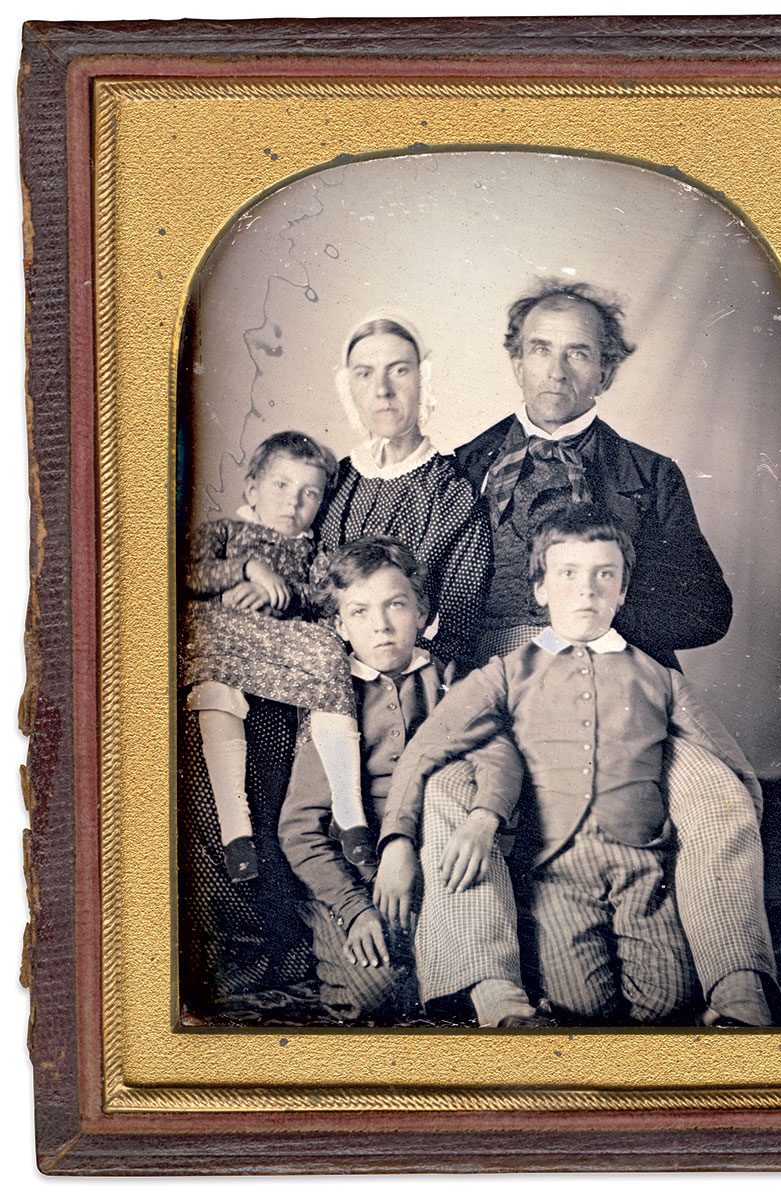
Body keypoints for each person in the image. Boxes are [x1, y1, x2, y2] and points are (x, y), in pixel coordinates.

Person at [377, 505, 776, 1026]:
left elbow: (727, 763)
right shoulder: (505, 673)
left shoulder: (659, 678)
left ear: (622, 592)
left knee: (669, 1002)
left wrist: (740, 824)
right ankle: (506, 990)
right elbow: (427, 748)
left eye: (603, 576)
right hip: (555, 866)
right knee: (582, 1006)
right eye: (568, 574)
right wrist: (398, 839)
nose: (586, 591)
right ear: (540, 589)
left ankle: (733, 992)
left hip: (642, 863)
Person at [277, 536, 535, 1026]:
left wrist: (483, 818)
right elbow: (299, 829)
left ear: (422, 612)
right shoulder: (331, 697)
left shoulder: (449, 679)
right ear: (339, 625)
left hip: (436, 857)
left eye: (396, 605)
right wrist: (353, 908)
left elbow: (498, 757)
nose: (381, 625)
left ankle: (482, 988)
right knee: (373, 999)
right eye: (359, 611)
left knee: (465, 972)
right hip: (353, 876)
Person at [454, 280, 732, 669]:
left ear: (605, 373)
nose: (556, 372)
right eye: (540, 350)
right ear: (518, 365)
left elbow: (707, 614)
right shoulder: (465, 466)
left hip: (613, 676)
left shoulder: (651, 476)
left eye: (578, 354)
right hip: (487, 675)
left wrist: (598, 614)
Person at [180, 430, 364, 882]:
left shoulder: (316, 552)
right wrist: (246, 569)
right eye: (281, 485)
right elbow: (184, 573)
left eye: (309, 494)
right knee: (207, 654)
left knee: (328, 649)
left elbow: (325, 598)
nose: (293, 502)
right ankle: (235, 826)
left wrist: (278, 595)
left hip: (284, 649)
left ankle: (349, 806)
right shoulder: (224, 532)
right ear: (251, 489)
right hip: (228, 640)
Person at [318, 316, 492, 669]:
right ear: (348, 387)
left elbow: (460, 626)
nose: (382, 389)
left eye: (398, 370)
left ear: (422, 381)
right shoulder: (330, 481)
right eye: (365, 374)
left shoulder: (452, 491)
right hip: (323, 670)